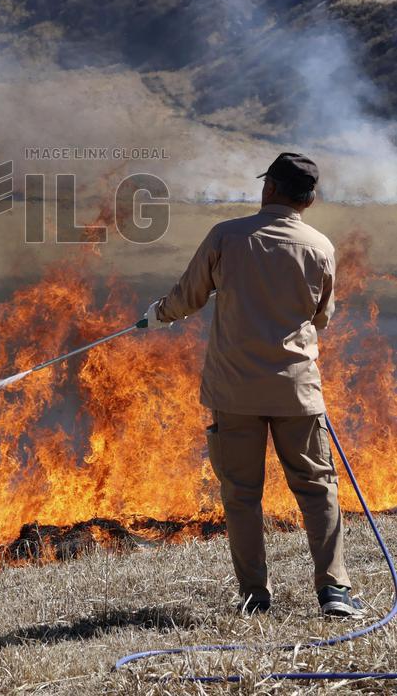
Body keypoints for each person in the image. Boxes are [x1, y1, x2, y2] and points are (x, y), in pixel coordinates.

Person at [147, 152, 362, 617]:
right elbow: (322, 318)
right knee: (317, 488)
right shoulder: (320, 246)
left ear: (269, 189)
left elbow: (187, 298)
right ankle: (335, 592)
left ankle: (254, 596)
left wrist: (158, 314)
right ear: (309, 199)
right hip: (296, 391)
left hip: (234, 391)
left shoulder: (226, 236)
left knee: (242, 495)